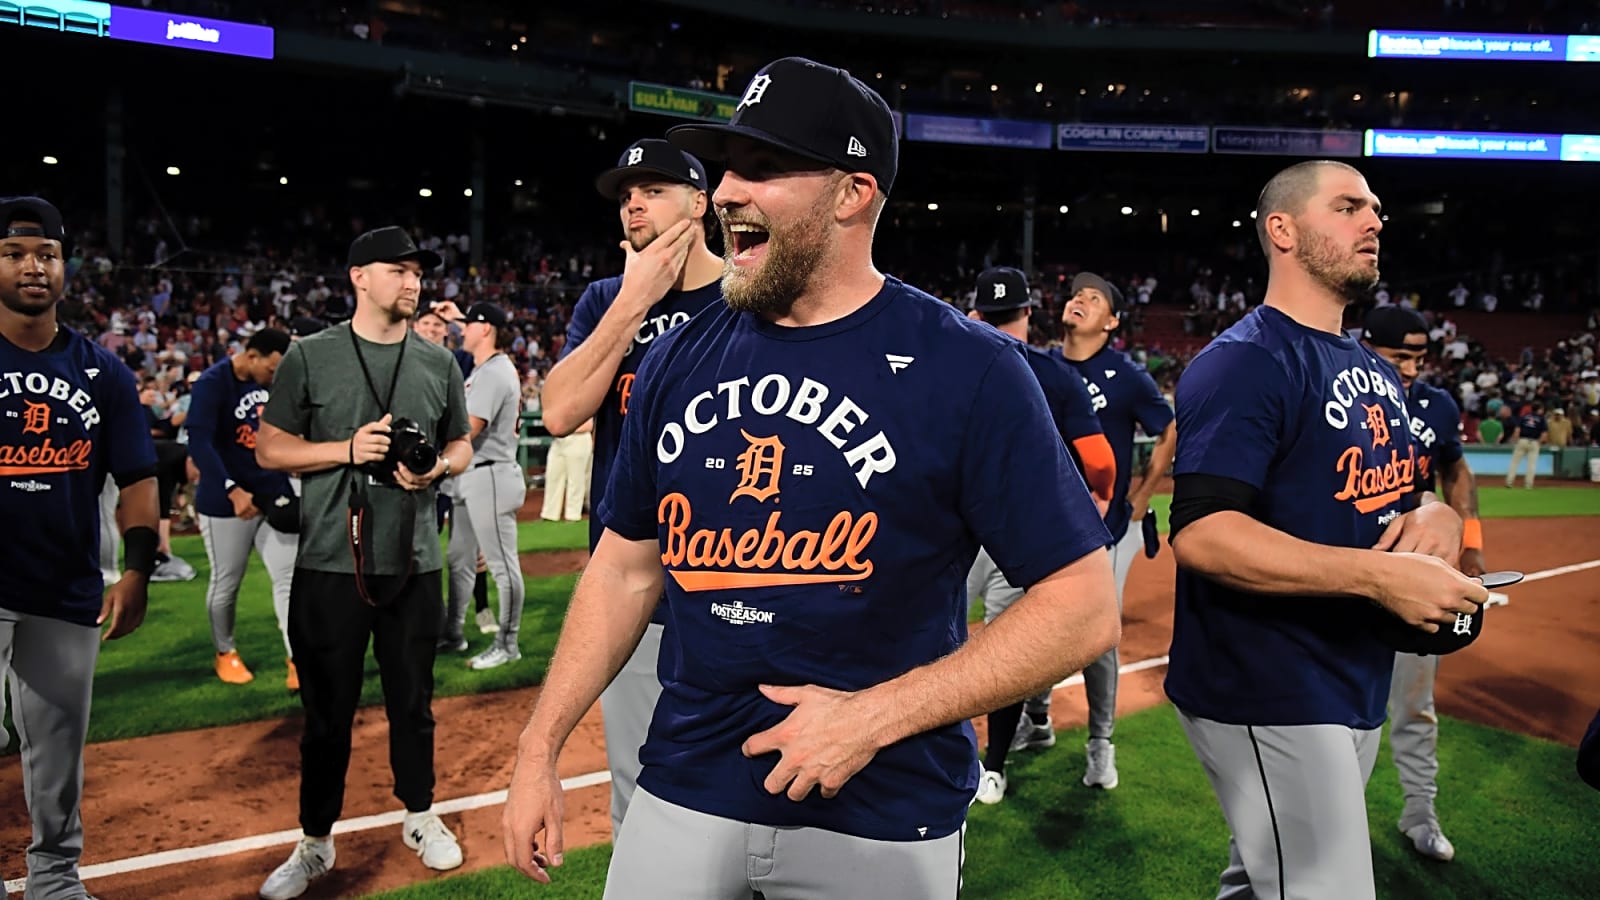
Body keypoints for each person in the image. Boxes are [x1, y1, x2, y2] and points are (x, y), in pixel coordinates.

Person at [502, 57, 1120, 899]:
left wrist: (872, 718)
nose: (724, 191)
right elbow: (625, 566)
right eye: (726, 168)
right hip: (687, 783)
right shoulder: (683, 349)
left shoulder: (967, 366)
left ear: (853, 192)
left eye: (761, 168)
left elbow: (1082, 603)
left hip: (882, 806)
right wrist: (539, 746)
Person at [1166, 160, 1487, 899]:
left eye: (1375, 208)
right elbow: (1205, 533)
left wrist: (1437, 515)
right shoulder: (1245, 362)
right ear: (1283, 230)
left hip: (1350, 671)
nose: (1374, 221)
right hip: (1267, 680)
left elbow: (1403, 496)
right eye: (1348, 207)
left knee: (1260, 884)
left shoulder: (1372, 370)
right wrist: (1380, 576)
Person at [254, 226, 473, 899]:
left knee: (415, 703)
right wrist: (345, 450)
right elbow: (270, 449)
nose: (412, 283)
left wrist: (434, 466)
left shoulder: (437, 362)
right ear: (358, 277)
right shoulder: (309, 356)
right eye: (397, 270)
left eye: (417, 273)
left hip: (412, 559)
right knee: (327, 712)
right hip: (328, 561)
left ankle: (420, 815)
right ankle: (316, 841)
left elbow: (460, 445)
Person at [536, 136, 724, 836]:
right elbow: (559, 412)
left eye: (653, 189)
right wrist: (635, 300)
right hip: (635, 590)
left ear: (700, 203)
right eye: (625, 195)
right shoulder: (604, 299)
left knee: (746, 797)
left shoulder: (748, 295)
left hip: (738, 585)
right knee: (639, 795)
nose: (634, 204)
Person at [0, 196, 160, 899]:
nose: (33, 266)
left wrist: (137, 570)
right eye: (14, 253)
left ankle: (54, 880)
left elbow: (138, 479)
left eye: (47, 254)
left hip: (66, 589)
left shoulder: (104, 373)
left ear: (65, 266)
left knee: (57, 752)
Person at [1010, 269, 1177, 791]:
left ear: (1112, 321)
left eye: (1094, 298)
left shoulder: (1124, 374)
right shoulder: (1038, 365)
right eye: (1076, 294)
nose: (1080, 300)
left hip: (1102, 526)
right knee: (1032, 625)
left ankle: (1101, 743)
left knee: (1096, 635)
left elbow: (1169, 429)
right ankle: (1037, 721)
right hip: (1038, 522)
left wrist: (1144, 494)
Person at [962, 265, 1116, 805]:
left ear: (976, 313)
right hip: (1018, 531)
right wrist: (1097, 500)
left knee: (926, 633)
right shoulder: (1056, 374)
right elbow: (1100, 463)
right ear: (1029, 312)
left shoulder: (950, 362)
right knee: (1007, 646)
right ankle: (994, 767)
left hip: (950, 529)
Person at [1359, 304, 1486, 862]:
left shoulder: (1436, 404)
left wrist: (1472, 544)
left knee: (1415, 705)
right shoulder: (1345, 397)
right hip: (1354, 574)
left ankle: (1420, 814)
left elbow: (1456, 468)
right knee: (1345, 707)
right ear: (1367, 346)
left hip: (1417, 576)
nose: (1410, 368)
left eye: (1418, 356)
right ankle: (1337, 823)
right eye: (1397, 356)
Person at [185, 327, 300, 689]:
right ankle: (225, 651)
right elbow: (200, 442)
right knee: (227, 582)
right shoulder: (212, 382)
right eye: (270, 369)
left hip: (271, 492)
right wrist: (231, 489)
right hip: (226, 501)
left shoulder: (275, 382)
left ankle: (297, 657)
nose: (273, 377)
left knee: (289, 578)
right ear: (252, 356)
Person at [445, 302, 529, 671]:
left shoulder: (495, 372)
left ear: (485, 329)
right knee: (459, 559)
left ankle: (507, 643)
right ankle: (452, 631)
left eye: (467, 324)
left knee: (501, 566)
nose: (461, 330)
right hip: (472, 475)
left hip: (490, 474)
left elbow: (469, 429)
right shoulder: (483, 369)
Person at [412, 300, 493, 649]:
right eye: (425, 325)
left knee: (469, 552)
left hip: (454, 466)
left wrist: (457, 315)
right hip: (422, 467)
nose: (432, 330)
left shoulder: (457, 361)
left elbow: (477, 341)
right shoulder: (404, 359)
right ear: (414, 328)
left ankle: (482, 609)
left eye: (437, 326)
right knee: (425, 548)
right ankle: (433, 621)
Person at [1505, 401, 1547, 488]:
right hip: (1534, 441)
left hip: (1522, 440)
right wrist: (1539, 443)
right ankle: (1528, 484)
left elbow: (1517, 430)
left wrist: (1516, 440)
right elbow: (1544, 434)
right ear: (1539, 410)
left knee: (1514, 463)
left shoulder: (1524, 417)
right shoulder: (1542, 419)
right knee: (1531, 464)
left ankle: (1509, 482)